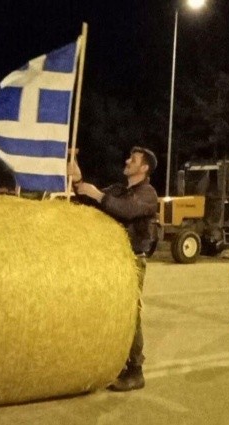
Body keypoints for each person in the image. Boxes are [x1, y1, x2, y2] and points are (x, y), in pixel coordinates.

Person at [68, 147, 158, 391]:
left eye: (134, 159)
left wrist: (97, 195)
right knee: (112, 313)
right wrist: (78, 180)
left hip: (132, 260)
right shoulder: (119, 190)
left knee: (130, 315)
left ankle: (135, 370)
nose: (128, 160)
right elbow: (90, 199)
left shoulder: (147, 194)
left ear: (144, 168)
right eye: (129, 157)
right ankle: (115, 362)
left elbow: (125, 210)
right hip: (112, 260)